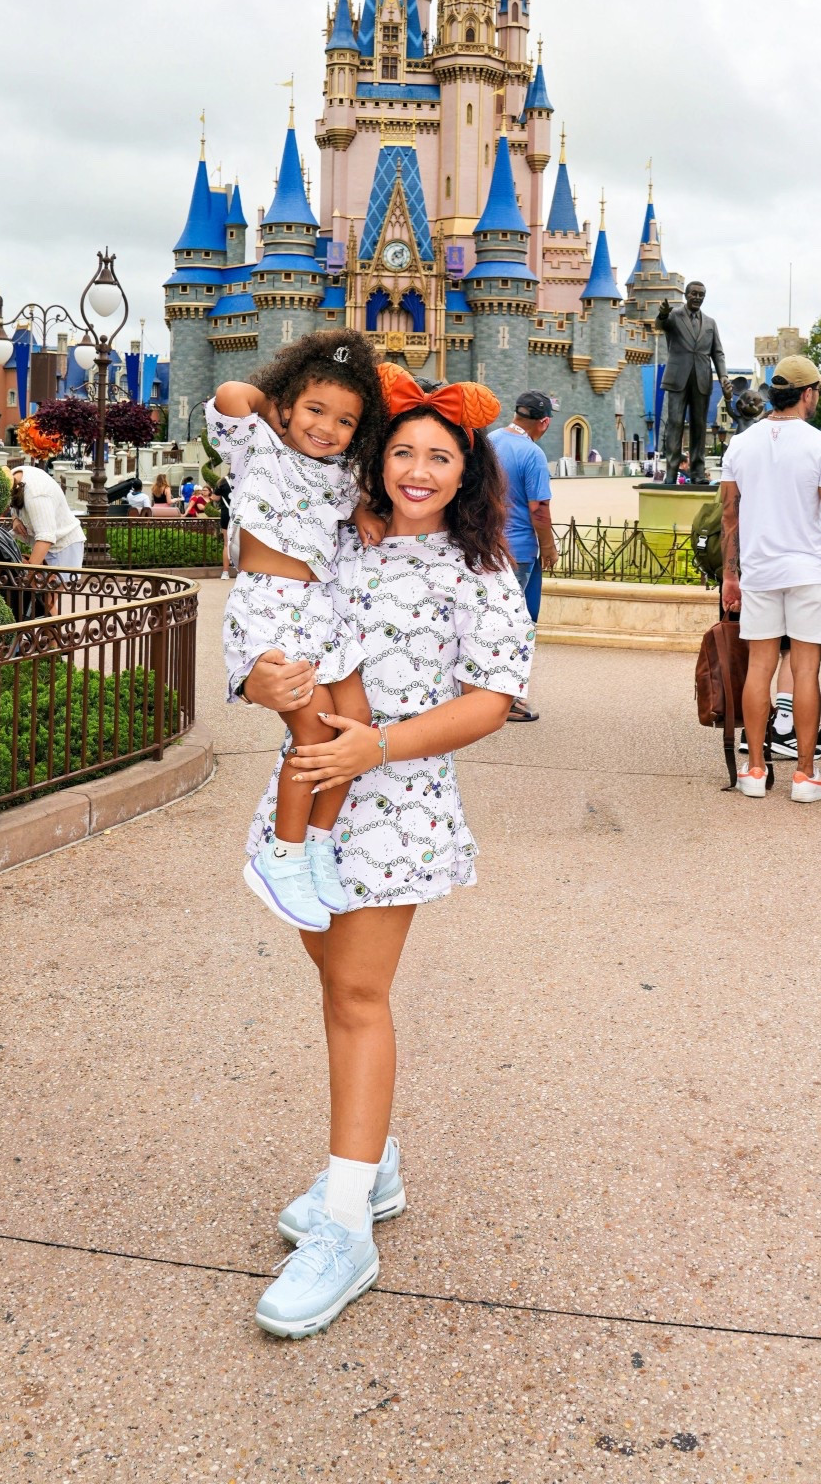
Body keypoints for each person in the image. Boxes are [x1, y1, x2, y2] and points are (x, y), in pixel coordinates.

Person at [238, 372, 532, 1338]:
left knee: (357, 1000)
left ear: (467, 474)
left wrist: (383, 745)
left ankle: (345, 1225)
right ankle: (374, 1166)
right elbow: (274, 612)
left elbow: (491, 698)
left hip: (393, 811)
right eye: (401, 451)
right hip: (311, 794)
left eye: (439, 457)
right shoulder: (340, 544)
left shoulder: (476, 572)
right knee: (336, 988)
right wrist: (261, 681)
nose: (417, 470)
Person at [207, 329, 387, 933]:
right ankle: (278, 857)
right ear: (287, 403)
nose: (327, 428)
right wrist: (270, 405)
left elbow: (354, 502)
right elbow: (231, 395)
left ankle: (316, 842)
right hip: (271, 611)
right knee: (313, 737)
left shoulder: (340, 473)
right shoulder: (256, 447)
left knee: (355, 729)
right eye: (315, 409)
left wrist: (363, 510)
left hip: (323, 612)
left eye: (344, 420)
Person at [719, 354, 821, 802]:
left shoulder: (740, 444)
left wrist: (730, 574)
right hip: (808, 570)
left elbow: (728, 514)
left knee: (759, 668)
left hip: (760, 570)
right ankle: (804, 775)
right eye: (818, 390)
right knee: (805, 669)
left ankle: (756, 770)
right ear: (807, 394)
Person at [488, 389, 558, 722]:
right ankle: (510, 699)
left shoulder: (490, 441)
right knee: (518, 625)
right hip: (519, 551)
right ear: (543, 423)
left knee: (490, 622)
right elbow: (539, 510)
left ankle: (482, 694)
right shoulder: (532, 454)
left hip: (486, 545)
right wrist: (549, 547)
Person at [656, 281, 730, 487]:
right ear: (687, 295)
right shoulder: (674, 317)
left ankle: (698, 473)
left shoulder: (710, 323)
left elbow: (718, 352)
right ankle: (671, 473)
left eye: (701, 294)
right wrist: (662, 314)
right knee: (675, 425)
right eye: (694, 294)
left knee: (699, 426)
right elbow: (660, 325)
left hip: (702, 378)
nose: (698, 297)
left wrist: (723, 376)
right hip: (677, 378)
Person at [7, 465, 86, 609]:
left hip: (64, 545)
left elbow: (46, 537)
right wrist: (15, 519)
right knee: (42, 601)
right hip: (49, 544)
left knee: (46, 602)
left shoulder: (37, 494)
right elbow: (12, 505)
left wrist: (28, 576)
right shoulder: (13, 477)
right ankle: (51, 631)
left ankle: (54, 632)